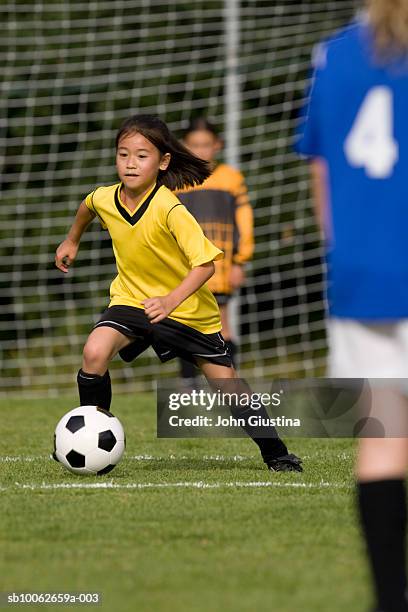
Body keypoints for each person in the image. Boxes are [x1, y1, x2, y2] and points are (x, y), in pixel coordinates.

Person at [55, 114, 302, 473]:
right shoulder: (106, 197)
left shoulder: (170, 208)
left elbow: (206, 265)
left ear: (163, 161)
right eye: (123, 154)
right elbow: (88, 206)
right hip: (132, 300)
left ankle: (276, 453)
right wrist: (72, 239)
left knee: (228, 386)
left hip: (188, 312)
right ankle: (87, 437)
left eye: (141, 155)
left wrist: (170, 300)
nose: (130, 163)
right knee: (94, 352)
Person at [296, 1, 408, 609]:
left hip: (362, 273)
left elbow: (322, 174)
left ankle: (390, 599)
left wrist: (350, 254)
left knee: (384, 438)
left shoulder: (334, 54)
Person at [176, 117, 254, 384]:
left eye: (206, 145)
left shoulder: (231, 179)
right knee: (184, 324)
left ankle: (230, 385)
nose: (201, 151)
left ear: (217, 145)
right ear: (184, 146)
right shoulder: (175, 181)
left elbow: (244, 221)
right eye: (194, 145)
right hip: (184, 267)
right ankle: (189, 387)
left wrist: (240, 261)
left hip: (219, 267)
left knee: (222, 324)